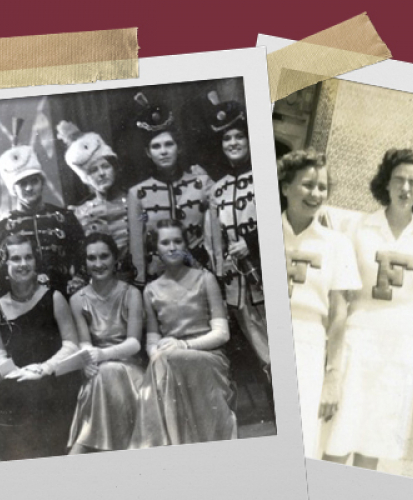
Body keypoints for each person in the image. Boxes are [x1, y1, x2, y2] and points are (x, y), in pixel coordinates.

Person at [323, 148, 413, 470]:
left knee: (372, 441)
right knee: (338, 437)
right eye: (399, 180)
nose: (405, 189)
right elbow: (339, 295)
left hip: (400, 341)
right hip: (358, 337)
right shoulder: (359, 227)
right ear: (385, 184)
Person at [277, 149, 362, 457]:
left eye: (322, 187)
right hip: (264, 338)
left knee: (299, 443)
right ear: (286, 186)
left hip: (308, 345)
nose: (316, 193)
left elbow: (340, 315)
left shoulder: (337, 244)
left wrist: (332, 375)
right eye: (308, 184)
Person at [129, 219, 236, 447]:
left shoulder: (205, 279)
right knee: (162, 361)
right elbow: (153, 339)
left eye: (177, 241)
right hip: (170, 358)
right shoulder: (150, 290)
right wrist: (156, 353)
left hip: (208, 355)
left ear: (186, 245)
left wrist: (184, 346)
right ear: (155, 249)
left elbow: (222, 334)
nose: (172, 247)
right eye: (165, 242)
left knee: (168, 360)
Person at [204, 95, 271, 376]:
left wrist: (253, 243)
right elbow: (213, 241)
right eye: (226, 138)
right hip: (238, 287)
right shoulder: (217, 190)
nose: (232, 143)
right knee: (264, 354)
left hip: (267, 275)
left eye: (238, 136)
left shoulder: (266, 174)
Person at [0, 234, 82, 460]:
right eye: (16, 259)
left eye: (29, 257)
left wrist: (43, 368)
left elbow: (71, 345)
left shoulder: (54, 298)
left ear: (36, 262)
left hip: (52, 384)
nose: (23, 264)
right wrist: (15, 372)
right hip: (14, 384)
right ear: (5, 263)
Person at [68, 233, 144, 454]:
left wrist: (101, 356)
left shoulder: (131, 293)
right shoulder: (77, 300)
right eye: (92, 258)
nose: (98, 264)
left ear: (115, 259)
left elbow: (133, 344)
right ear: (85, 263)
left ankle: (81, 447)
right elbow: (85, 343)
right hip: (98, 371)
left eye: (104, 256)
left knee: (106, 372)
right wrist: (86, 360)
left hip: (130, 370)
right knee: (101, 375)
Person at [127, 93, 213, 287]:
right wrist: (141, 280)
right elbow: (136, 245)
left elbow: (216, 230)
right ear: (148, 153)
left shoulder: (201, 183)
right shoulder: (137, 193)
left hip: (199, 272)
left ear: (178, 148)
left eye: (169, 144)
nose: (163, 151)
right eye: (156, 147)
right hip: (160, 277)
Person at [0, 121, 85, 295]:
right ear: (13, 189)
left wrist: (78, 279)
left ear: (42, 182)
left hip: (64, 297)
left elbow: (82, 256)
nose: (29, 188)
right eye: (22, 184)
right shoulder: (3, 227)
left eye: (34, 181)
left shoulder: (65, 217)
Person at [57, 121, 133, 277]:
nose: (101, 174)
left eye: (105, 166)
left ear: (115, 167)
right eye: (93, 170)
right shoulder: (79, 213)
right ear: (85, 178)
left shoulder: (136, 201)